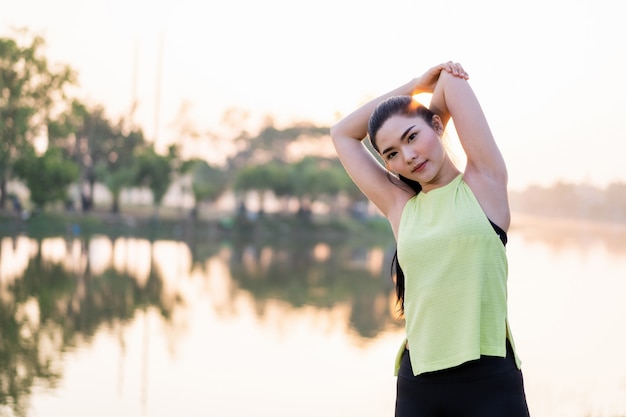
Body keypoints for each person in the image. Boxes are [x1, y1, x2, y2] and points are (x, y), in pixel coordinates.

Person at [330, 62, 530, 417]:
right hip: (419, 384)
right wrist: (412, 87)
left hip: (490, 383)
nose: (408, 156)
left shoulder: (484, 184)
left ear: (438, 125)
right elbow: (342, 134)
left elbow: (451, 82)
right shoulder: (401, 207)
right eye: (391, 153)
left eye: (411, 137)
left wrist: (429, 100)